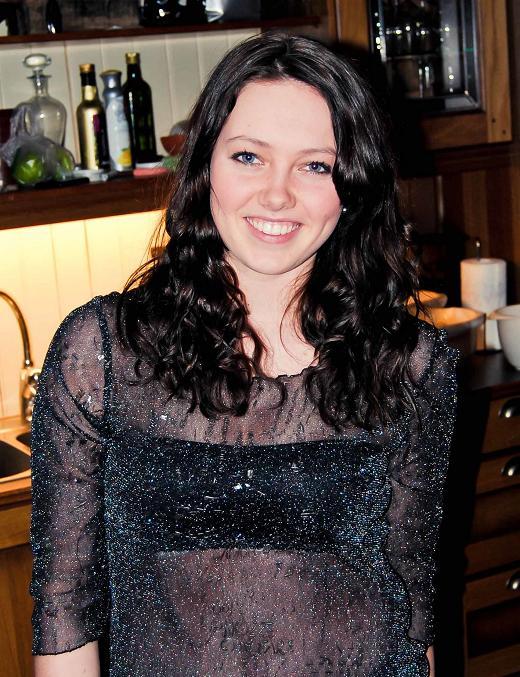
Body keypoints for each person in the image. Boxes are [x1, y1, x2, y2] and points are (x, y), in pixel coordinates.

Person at [30, 31, 459, 676]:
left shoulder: (411, 362)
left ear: (354, 186)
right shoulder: (103, 356)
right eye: (249, 156)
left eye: (316, 166)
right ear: (205, 166)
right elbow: (63, 615)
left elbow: (413, 600)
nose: (277, 195)